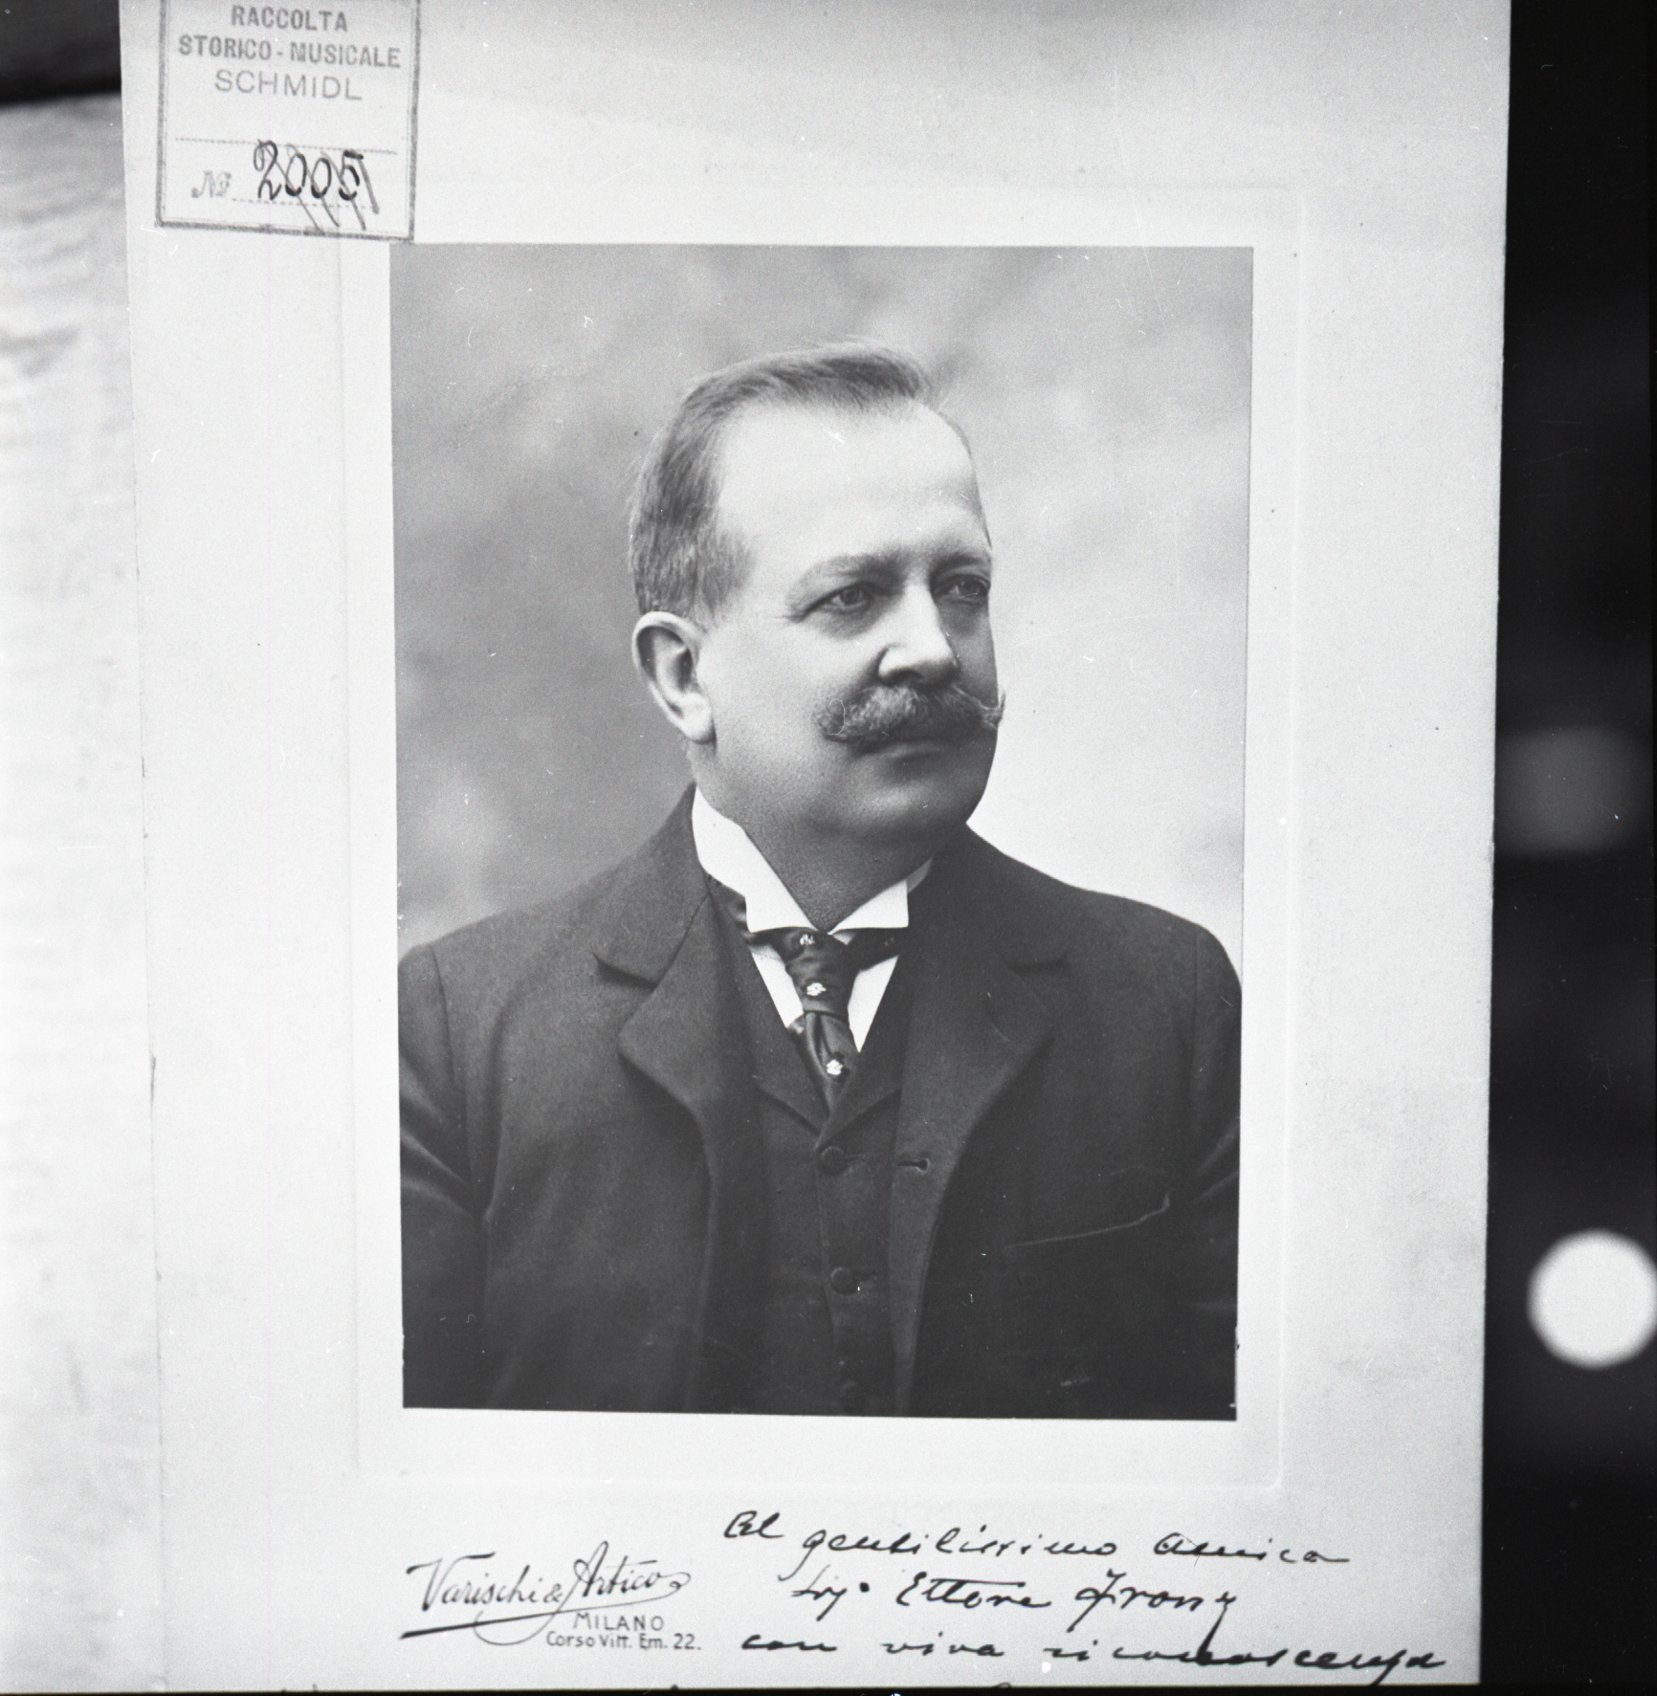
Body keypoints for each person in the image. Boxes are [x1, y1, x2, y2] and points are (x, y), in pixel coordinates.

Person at [400, 344, 1239, 1419]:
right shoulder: (463, 1038)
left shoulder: (1167, 1008)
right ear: (683, 677)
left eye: (961, 589)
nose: (932, 650)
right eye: (852, 598)